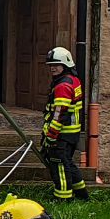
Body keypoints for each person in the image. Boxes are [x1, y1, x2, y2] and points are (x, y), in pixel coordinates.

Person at [39, 46, 86, 202]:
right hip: (71, 133)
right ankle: (81, 194)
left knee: (59, 165)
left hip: (62, 134)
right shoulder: (73, 80)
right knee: (68, 163)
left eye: (56, 65)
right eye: (50, 65)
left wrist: (51, 136)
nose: (52, 68)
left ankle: (63, 198)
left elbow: (59, 114)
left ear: (65, 65)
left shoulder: (63, 85)